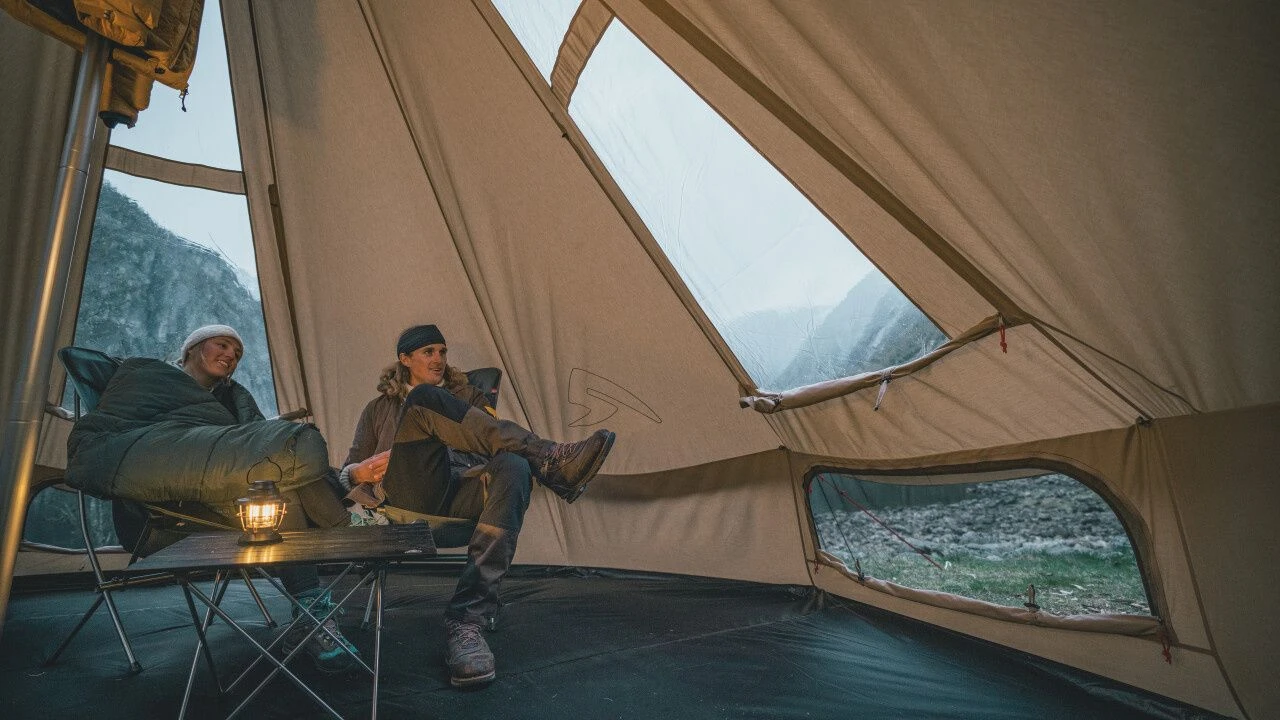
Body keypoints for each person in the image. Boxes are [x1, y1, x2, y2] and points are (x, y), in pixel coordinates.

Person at [66, 324, 365, 673]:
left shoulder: (233, 399)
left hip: (234, 505)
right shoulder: (150, 378)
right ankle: (341, 545)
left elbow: (252, 444)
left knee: (277, 475)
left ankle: (312, 612)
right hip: (169, 512)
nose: (230, 356)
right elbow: (116, 434)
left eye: (237, 353)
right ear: (191, 349)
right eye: (222, 345)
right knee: (280, 477)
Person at [337, 324, 616, 688]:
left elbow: (500, 443)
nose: (438, 359)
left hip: (461, 486)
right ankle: (550, 460)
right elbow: (350, 467)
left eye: (442, 351)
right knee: (423, 399)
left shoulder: (467, 394)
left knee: (514, 465)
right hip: (409, 496)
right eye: (428, 352)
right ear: (404, 359)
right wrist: (356, 473)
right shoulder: (378, 409)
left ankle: (467, 622)